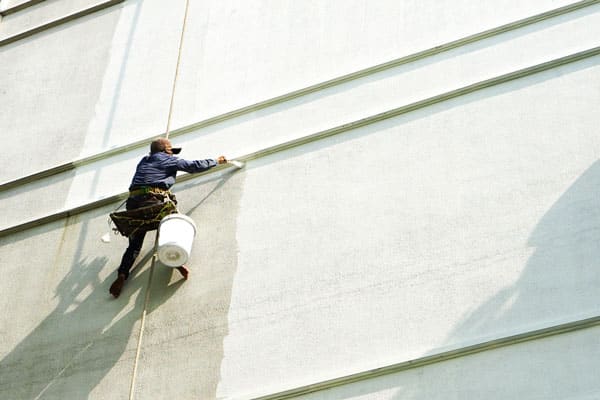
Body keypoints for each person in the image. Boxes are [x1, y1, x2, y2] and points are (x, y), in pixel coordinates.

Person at [109, 137, 227, 298]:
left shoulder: (144, 161)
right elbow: (193, 166)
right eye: (171, 151)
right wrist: (216, 161)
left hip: (132, 205)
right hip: (150, 200)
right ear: (166, 150)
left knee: (134, 244)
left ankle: (122, 274)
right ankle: (176, 261)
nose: (172, 155)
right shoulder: (165, 159)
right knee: (172, 225)